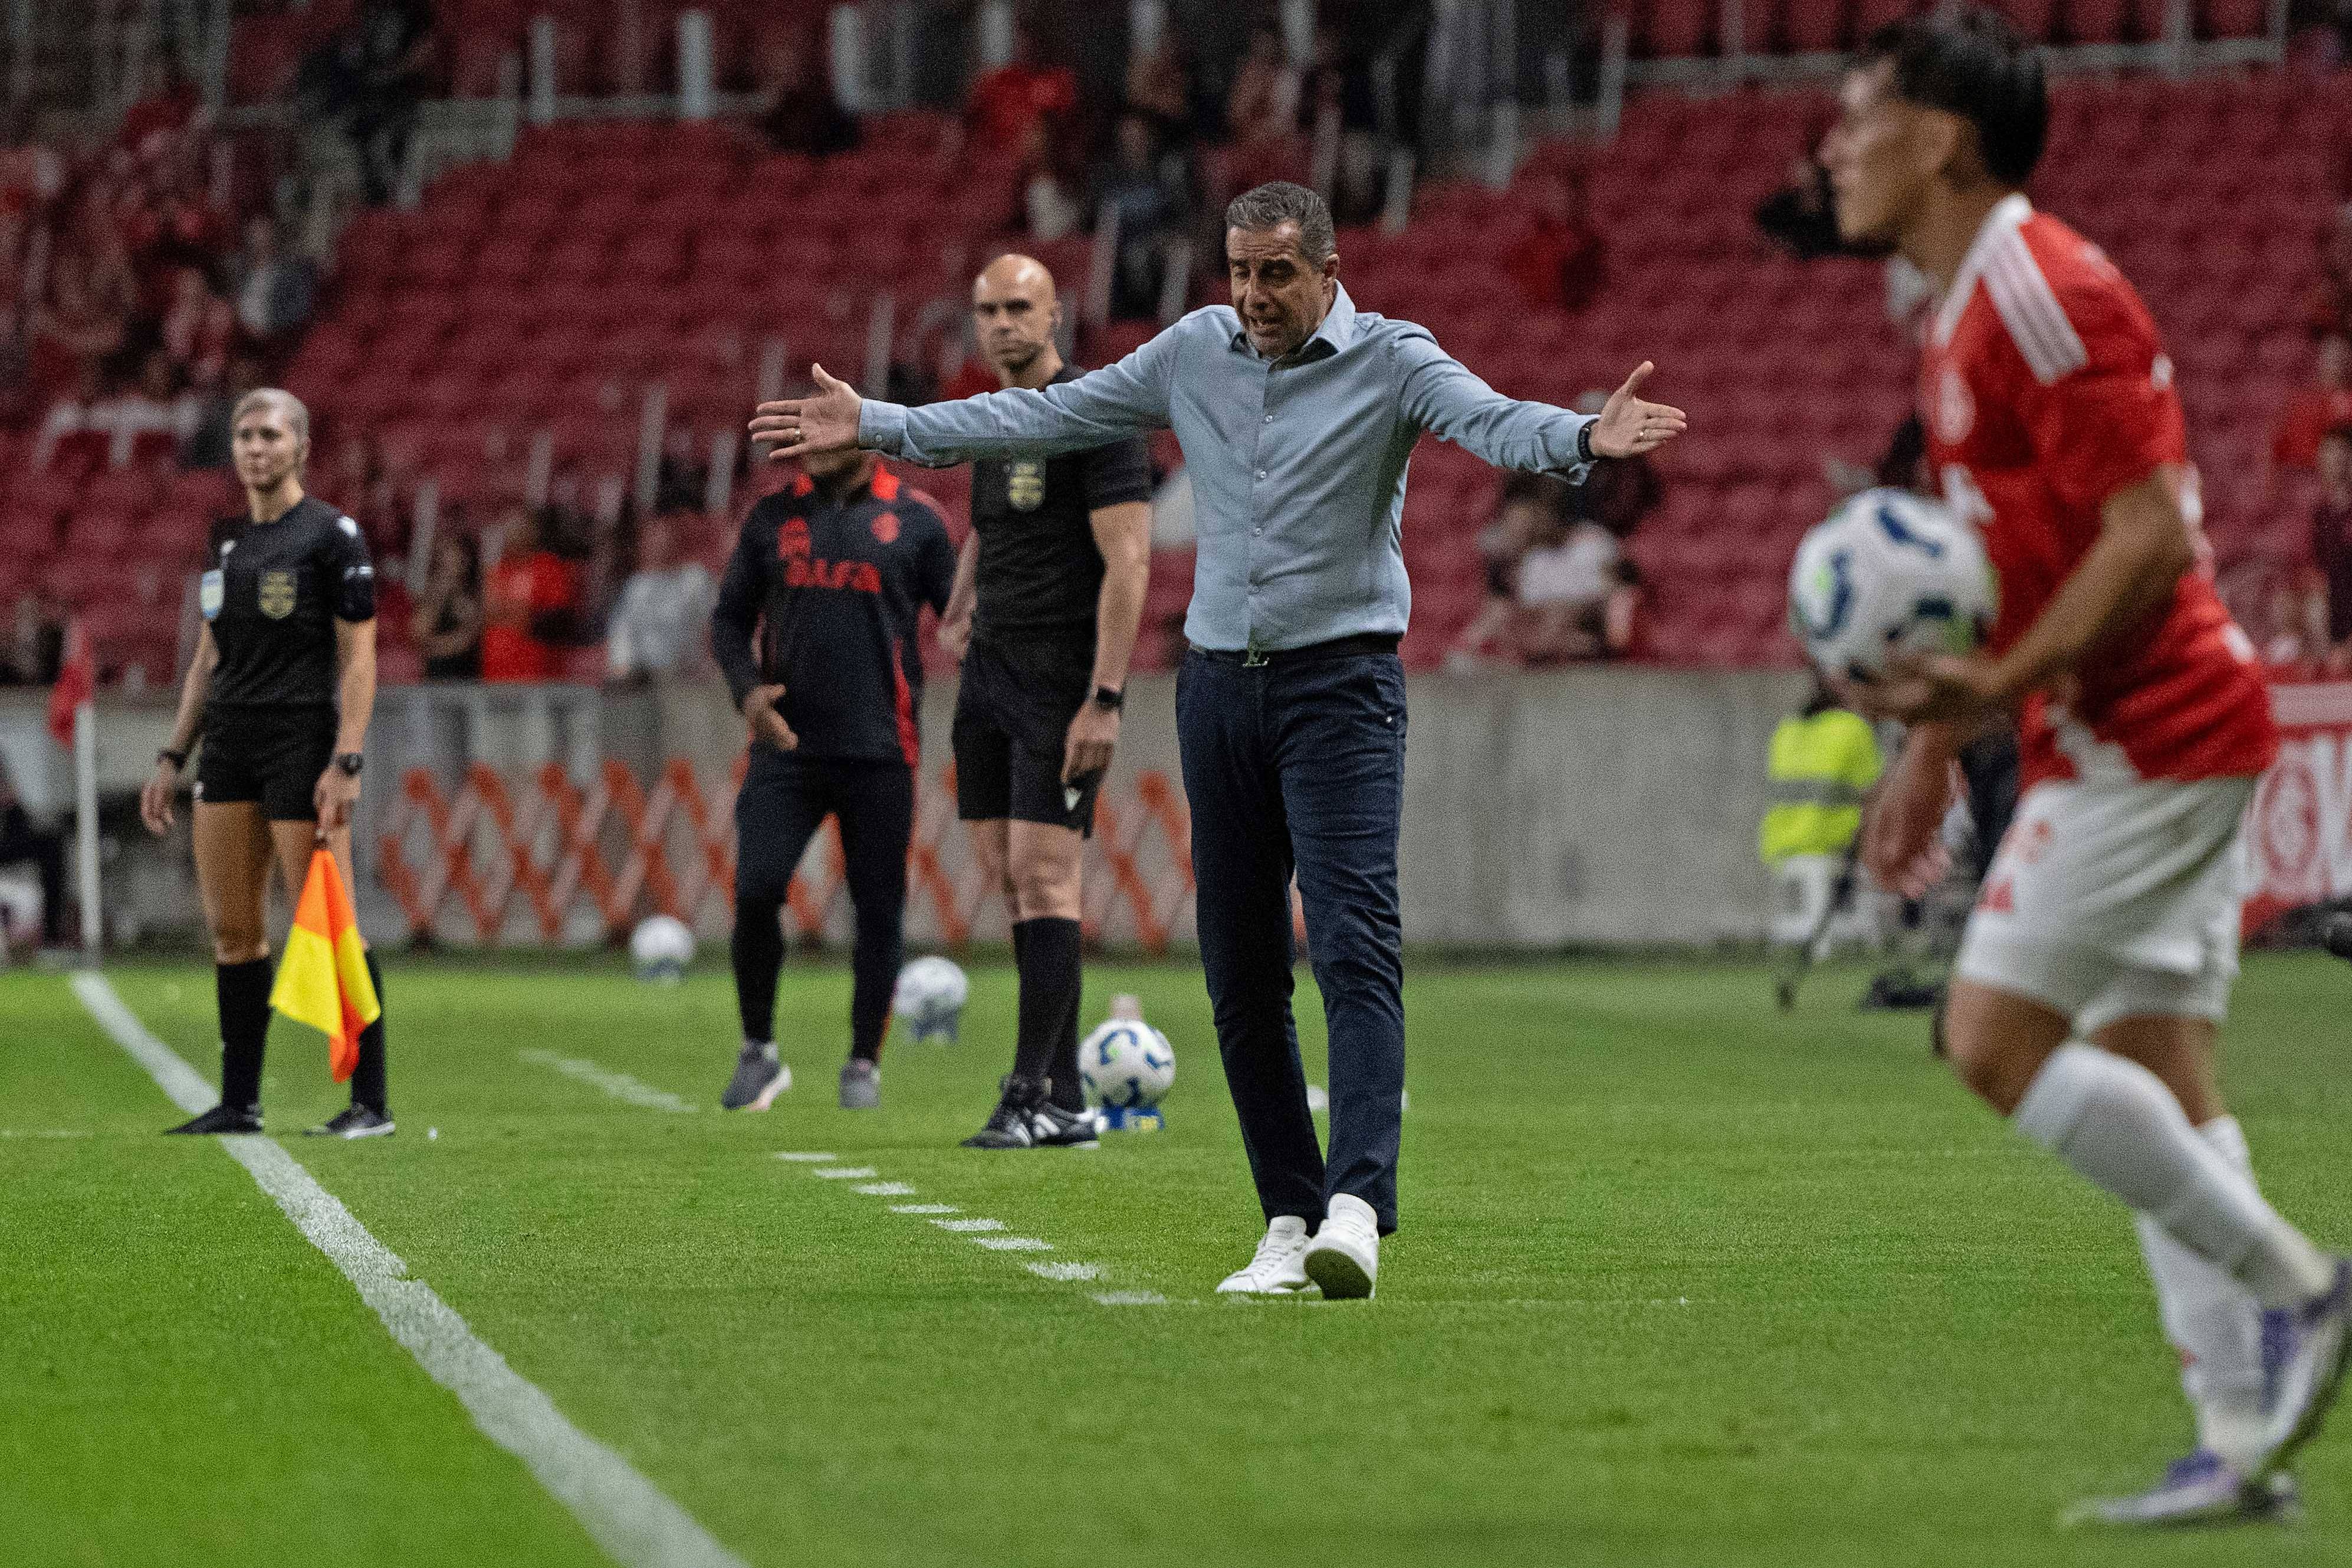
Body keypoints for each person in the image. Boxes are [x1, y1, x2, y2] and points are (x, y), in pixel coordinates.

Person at [751, 179, 1684, 1299]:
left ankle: (1356, 1204)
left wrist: (1583, 435)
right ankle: (1287, 1217)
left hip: (1339, 688)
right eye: (1239, 272)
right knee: (1238, 974)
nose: (1252, 295)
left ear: (1328, 273)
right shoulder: (1192, 349)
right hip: (1216, 691)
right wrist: (885, 423)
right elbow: (1040, 414)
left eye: (1276, 273)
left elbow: (1491, 418)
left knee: (1351, 942)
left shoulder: (1392, 358)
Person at [1819, 9, 2346, 1524]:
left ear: (1940, 136)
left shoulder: (2042, 290)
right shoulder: (1951, 311)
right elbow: (2001, 564)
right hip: (2118, 731)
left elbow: (2150, 531)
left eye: (1859, 119)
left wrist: (1987, 689)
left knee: (1983, 1037)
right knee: (2156, 1077)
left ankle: (2297, 1281)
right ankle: (2240, 1442)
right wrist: (1934, 742)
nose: (1836, 148)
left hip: (2152, 732)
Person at [935, 254, 1152, 1148]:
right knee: (1005, 874)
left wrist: (1103, 697)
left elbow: (1129, 562)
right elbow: (994, 523)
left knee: (1045, 874)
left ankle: (1031, 1091)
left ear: (1056, 313)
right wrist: (961, 596)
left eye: (1019, 306)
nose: (1003, 323)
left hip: (1061, 678)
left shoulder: (1097, 416)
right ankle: (1064, 1090)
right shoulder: (994, 417)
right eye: (988, 309)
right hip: (987, 670)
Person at [136, 389, 392, 1138]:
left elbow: (360, 658)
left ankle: (370, 1102)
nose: (254, 447)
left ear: (301, 447)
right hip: (231, 745)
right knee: (234, 932)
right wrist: (171, 754)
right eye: (245, 436)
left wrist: (347, 757)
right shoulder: (225, 541)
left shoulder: (334, 537)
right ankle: (239, 1102)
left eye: (270, 435)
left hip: (302, 746)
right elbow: (207, 659)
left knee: (334, 923)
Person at [708, 446, 955, 1113]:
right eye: (802, 432)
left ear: (862, 433)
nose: (809, 445)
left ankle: (862, 1065)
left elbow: (960, 620)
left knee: (878, 910)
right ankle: (758, 1051)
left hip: (882, 747)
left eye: (825, 428)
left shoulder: (918, 521)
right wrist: (747, 695)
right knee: (756, 887)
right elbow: (729, 620)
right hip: (785, 748)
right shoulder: (771, 516)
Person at [1759, 676, 1881, 956]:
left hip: (1780, 843)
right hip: (1829, 842)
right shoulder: (1852, 729)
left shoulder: (1786, 730)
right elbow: (1878, 787)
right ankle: (1844, 947)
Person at [606, 513, 715, 682]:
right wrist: (621, 664)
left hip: (684, 676)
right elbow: (622, 629)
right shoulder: (637, 585)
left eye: (662, 539)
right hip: (642, 677)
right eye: (651, 540)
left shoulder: (695, 579)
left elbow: (714, 623)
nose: (657, 545)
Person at [479, 505, 580, 683]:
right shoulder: (497, 570)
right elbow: (486, 613)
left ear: (531, 532)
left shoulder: (547, 566)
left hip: (535, 673)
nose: (511, 534)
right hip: (494, 674)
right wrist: (516, 612)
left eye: (518, 528)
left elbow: (555, 619)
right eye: (508, 528)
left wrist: (516, 614)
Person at [0, 754, 69, 951]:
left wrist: (11, 804)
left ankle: (52, 934)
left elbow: (20, 831)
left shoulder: (11, 808)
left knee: (50, 844)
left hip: (9, 846)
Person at [409, 526, 483, 681]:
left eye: (455, 555)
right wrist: (440, 596)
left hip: (467, 674)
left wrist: (439, 645)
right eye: (446, 555)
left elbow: (469, 638)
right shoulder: (433, 592)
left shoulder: (474, 593)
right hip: (436, 673)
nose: (450, 560)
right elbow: (419, 633)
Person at [2270, 332, 2352, 471]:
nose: (2338, 364)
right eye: (2332, 358)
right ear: (2320, 361)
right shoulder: (2304, 403)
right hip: (2313, 473)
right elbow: (2298, 448)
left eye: (2343, 357)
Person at [2313, 425, 2352, 673]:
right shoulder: (2322, 514)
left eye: (2341, 456)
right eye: (2327, 455)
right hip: (2337, 615)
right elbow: (2319, 571)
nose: (2334, 463)